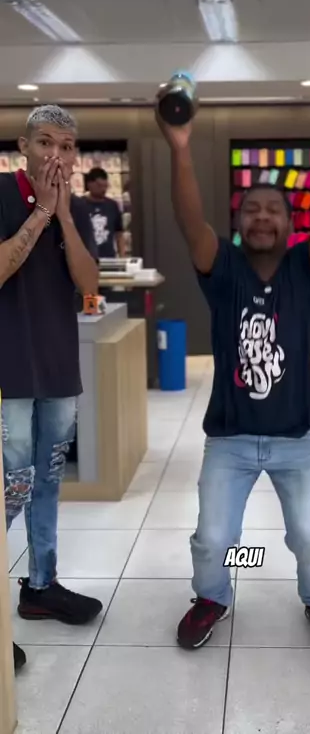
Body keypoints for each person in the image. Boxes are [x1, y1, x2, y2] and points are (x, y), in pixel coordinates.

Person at [156, 91, 310, 656]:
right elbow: (189, 221)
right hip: (230, 438)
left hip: (299, 437)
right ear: (238, 222)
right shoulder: (222, 268)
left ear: (290, 221)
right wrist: (180, 148)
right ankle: (211, 597)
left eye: (273, 210)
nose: (262, 216)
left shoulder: (307, 267)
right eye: (252, 209)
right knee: (213, 538)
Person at [0, 105, 103, 673]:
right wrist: (40, 213)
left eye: (66, 147)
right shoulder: (1, 195)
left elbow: (89, 286)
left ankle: (41, 586)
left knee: (48, 481)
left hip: (59, 368)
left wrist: (62, 215)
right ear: (23, 147)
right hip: (10, 368)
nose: (56, 156)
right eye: (45, 143)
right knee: (9, 491)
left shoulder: (77, 208)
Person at [83, 167, 125, 258]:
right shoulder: (80, 205)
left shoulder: (112, 205)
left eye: (105, 186)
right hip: (86, 257)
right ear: (89, 184)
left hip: (108, 258)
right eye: (99, 186)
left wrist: (122, 257)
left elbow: (119, 233)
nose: (103, 189)